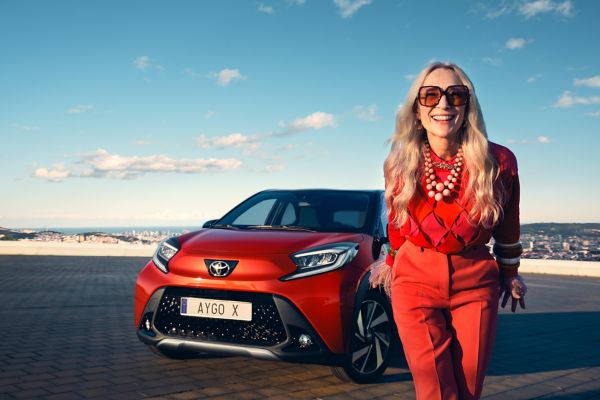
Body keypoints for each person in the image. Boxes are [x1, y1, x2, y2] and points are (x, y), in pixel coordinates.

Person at [370, 61, 527, 400]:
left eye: (455, 95)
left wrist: (510, 273)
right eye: (431, 95)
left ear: (467, 106)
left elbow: (508, 224)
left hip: (476, 282)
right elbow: (396, 222)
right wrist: (392, 261)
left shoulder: (499, 160)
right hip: (413, 283)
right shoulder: (398, 163)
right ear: (416, 110)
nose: (443, 104)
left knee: (469, 389)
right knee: (436, 391)